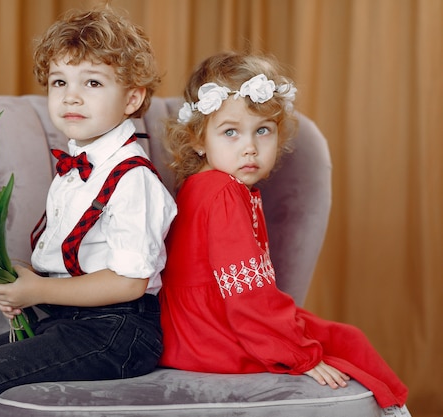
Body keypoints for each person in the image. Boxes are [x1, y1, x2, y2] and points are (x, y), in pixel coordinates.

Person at [0, 7, 176, 417]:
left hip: (117, 332)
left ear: (132, 98)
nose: (70, 95)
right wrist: (23, 281)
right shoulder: (75, 165)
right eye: (60, 81)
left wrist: (37, 291)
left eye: (92, 82)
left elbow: (130, 283)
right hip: (66, 321)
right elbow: (65, 257)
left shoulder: (133, 179)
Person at [158, 51, 410, 415]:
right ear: (199, 140)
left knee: (332, 334)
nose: (250, 147)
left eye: (263, 130)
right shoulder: (223, 192)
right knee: (346, 342)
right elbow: (247, 295)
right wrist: (300, 357)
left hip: (191, 330)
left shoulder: (205, 185)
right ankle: (396, 410)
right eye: (231, 132)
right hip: (209, 336)